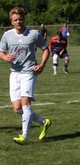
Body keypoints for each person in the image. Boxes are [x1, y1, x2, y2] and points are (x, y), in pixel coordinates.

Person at [0, 7, 51, 145]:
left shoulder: (33, 34)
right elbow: (1, 52)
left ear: (24, 20)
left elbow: (46, 49)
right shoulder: (7, 35)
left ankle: (25, 136)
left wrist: (41, 65)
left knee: (25, 104)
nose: (18, 22)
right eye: (15, 20)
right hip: (14, 73)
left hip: (29, 72)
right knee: (17, 108)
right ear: (12, 22)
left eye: (20, 19)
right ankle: (43, 122)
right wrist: (5, 57)